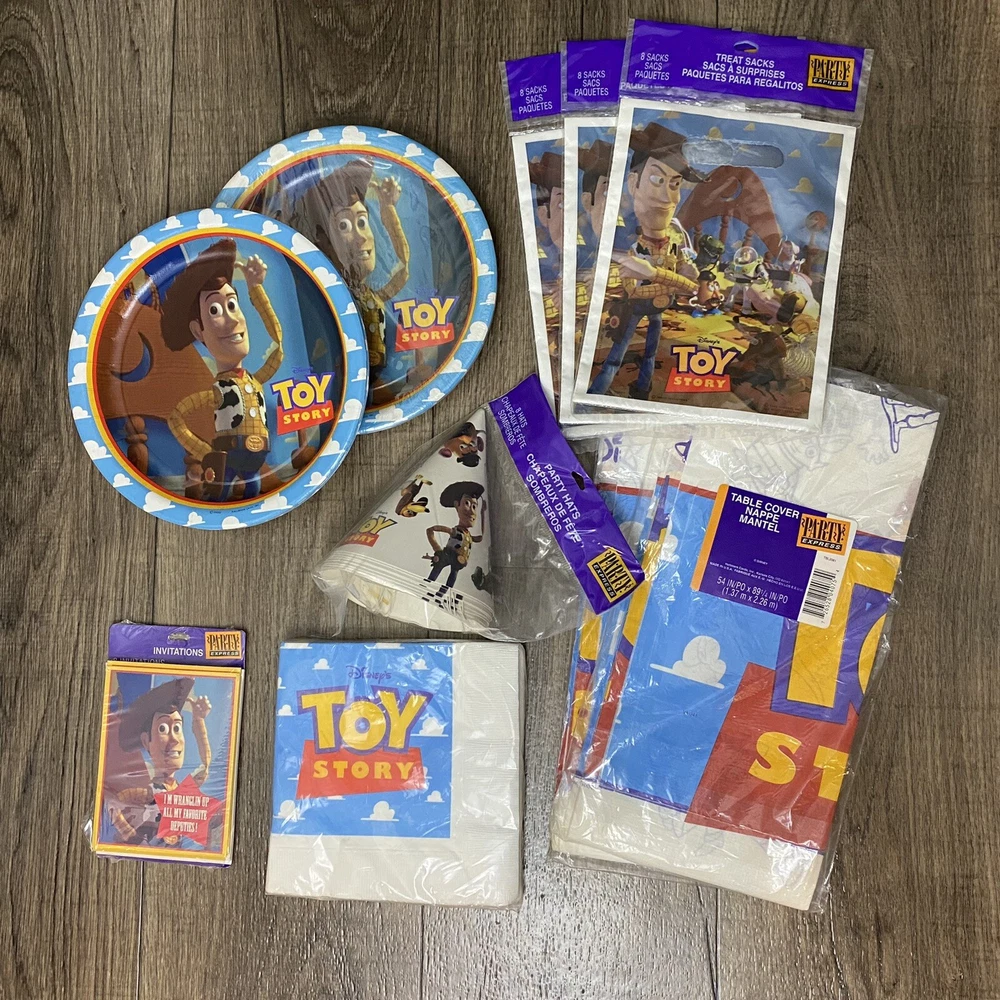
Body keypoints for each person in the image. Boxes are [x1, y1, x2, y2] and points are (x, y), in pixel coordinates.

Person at [588, 123, 702, 400]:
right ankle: (596, 394)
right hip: (635, 308)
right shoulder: (627, 242)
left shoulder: (674, 239)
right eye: (656, 180)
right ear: (633, 183)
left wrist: (673, 272)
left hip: (658, 308)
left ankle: (642, 389)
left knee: (650, 353)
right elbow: (632, 288)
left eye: (675, 184)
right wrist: (669, 280)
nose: (667, 197)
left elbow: (690, 282)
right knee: (616, 355)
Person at [163, 238, 282, 501]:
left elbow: (279, 349)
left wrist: (256, 289)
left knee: (252, 491)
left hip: (255, 458)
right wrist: (206, 453)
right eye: (215, 310)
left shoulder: (255, 380)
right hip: (227, 456)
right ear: (198, 331)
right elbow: (176, 418)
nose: (232, 319)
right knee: (221, 493)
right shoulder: (218, 391)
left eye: (232, 305)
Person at [305, 158, 409, 380]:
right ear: (325, 242)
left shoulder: (371, 295)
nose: (361, 237)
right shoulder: (329, 299)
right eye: (344, 226)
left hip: (382, 376)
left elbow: (403, 270)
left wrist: (388, 208)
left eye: (362, 222)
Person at [107, 677, 212, 846]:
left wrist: (198, 720)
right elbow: (114, 805)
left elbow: (205, 768)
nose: (174, 739)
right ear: (145, 741)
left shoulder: (183, 790)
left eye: (177, 728)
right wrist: (129, 833)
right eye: (163, 729)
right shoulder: (148, 793)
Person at [424, 482, 486, 592]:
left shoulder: (468, 535)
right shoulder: (455, 531)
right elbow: (430, 530)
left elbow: (480, 538)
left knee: (452, 578)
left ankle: (441, 595)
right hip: (449, 555)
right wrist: (437, 549)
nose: (472, 511)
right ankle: (425, 588)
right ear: (457, 506)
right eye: (467, 503)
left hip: (459, 561)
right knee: (437, 570)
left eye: (474, 506)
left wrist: (483, 513)